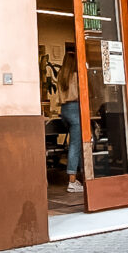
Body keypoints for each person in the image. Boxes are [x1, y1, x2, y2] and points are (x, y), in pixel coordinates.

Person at [57, 52, 83, 192]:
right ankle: (72, 182)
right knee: (75, 145)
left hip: (64, 110)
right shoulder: (76, 76)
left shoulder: (61, 75)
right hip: (75, 109)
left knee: (74, 143)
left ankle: (78, 176)